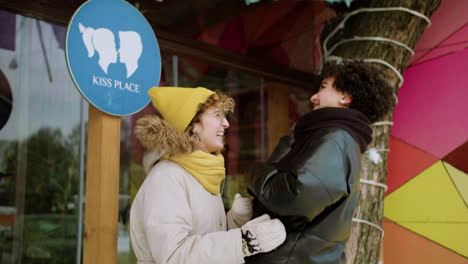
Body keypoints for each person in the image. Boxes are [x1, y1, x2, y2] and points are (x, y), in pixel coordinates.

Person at [245, 61, 395, 264]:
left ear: (346, 97)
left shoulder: (336, 138)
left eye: (323, 87)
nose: (313, 97)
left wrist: (253, 172)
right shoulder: (335, 139)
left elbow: (296, 196)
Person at [130, 86, 286, 264]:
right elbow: (174, 256)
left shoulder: (202, 173)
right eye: (217, 115)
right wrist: (244, 242)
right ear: (193, 125)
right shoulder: (166, 177)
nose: (226, 123)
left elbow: (205, 241)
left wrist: (233, 221)